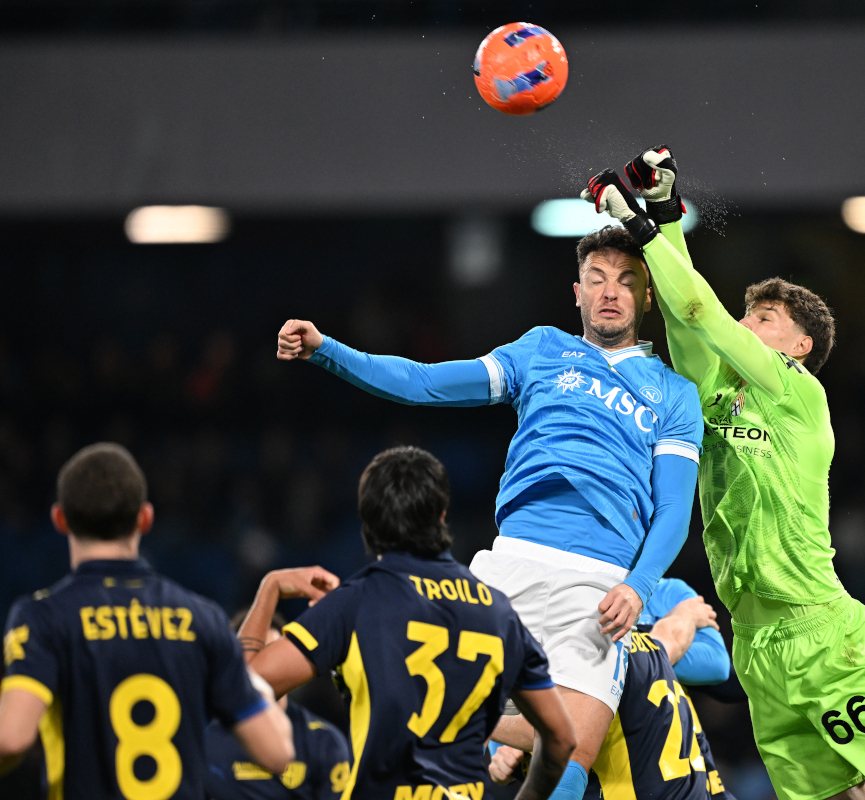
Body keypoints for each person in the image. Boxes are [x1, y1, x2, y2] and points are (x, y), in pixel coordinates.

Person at [582, 149, 865, 800]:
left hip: (818, 634)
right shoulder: (717, 399)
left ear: (800, 345)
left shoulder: (797, 393)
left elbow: (698, 315)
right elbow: (691, 332)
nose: (744, 326)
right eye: (747, 316)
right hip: (757, 650)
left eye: (764, 319)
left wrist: (642, 230)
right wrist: (663, 216)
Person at [275, 227, 704, 800]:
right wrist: (328, 350)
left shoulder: (675, 394)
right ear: (576, 291)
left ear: (648, 299)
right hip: (513, 563)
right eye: (598, 279)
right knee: (428, 710)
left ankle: (508, 739)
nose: (611, 292)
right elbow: (426, 383)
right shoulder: (542, 350)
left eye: (627, 282)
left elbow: (675, 506)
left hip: (602, 583)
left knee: (573, 751)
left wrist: (639, 586)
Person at [238, 445, 578, 800]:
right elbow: (561, 737)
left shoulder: (357, 601)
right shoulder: (497, 611)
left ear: (367, 522)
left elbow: (246, 686)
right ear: (442, 516)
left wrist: (270, 588)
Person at [0, 443, 293, 800]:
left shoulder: (43, 617)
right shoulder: (202, 618)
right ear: (145, 518)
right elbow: (278, 753)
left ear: (60, 519)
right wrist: (251, 680)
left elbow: (11, 739)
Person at [489, 578, 735, 800]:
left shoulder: (590, 655)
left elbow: (716, 666)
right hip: (694, 787)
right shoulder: (638, 647)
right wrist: (680, 620)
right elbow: (666, 645)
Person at [204, 611, 351, 800]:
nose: (262, 669)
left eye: (270, 655)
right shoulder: (202, 738)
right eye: (252, 658)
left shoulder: (324, 742)